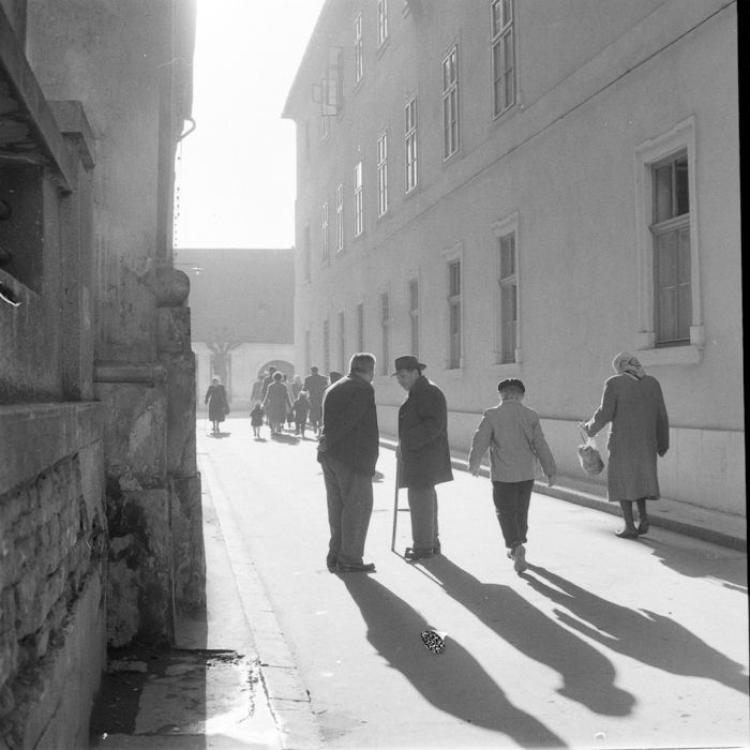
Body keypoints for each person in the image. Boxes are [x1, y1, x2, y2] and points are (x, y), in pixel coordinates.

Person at [468, 379, 557, 573]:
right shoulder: (531, 415)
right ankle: (519, 541)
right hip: (526, 473)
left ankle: (516, 546)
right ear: (521, 396)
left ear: (502, 395)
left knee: (505, 511)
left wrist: (474, 463)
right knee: (521, 509)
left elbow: (480, 440)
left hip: (503, 474)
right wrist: (550, 471)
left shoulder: (492, 414)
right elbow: (541, 444)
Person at [581, 352, 669, 539]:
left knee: (622, 482)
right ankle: (643, 520)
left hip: (622, 443)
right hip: (647, 443)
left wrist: (590, 428)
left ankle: (629, 526)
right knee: (641, 481)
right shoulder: (652, 383)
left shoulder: (614, 383)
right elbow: (661, 414)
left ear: (620, 366)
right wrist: (663, 442)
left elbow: (605, 413)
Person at [318, 353, 379, 573]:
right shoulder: (363, 388)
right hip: (353, 457)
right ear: (370, 370)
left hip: (331, 456)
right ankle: (350, 558)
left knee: (337, 508)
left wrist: (325, 443)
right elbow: (350, 420)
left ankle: (336, 554)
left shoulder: (334, 387)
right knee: (357, 508)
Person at [393, 356, 453, 561]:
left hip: (424, 456)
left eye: (403, 376)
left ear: (414, 373)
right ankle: (430, 543)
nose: (400, 381)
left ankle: (423, 546)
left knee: (420, 500)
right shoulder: (420, 391)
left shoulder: (427, 392)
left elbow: (433, 425)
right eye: (398, 377)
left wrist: (407, 442)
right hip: (421, 456)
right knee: (423, 499)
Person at [304, 366, 328, 435]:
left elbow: (305, 389)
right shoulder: (323, 378)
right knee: (320, 414)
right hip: (321, 399)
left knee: (312, 414)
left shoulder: (308, 379)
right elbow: (326, 387)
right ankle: (319, 429)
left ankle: (315, 425)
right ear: (317, 371)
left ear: (311, 371)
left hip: (312, 399)